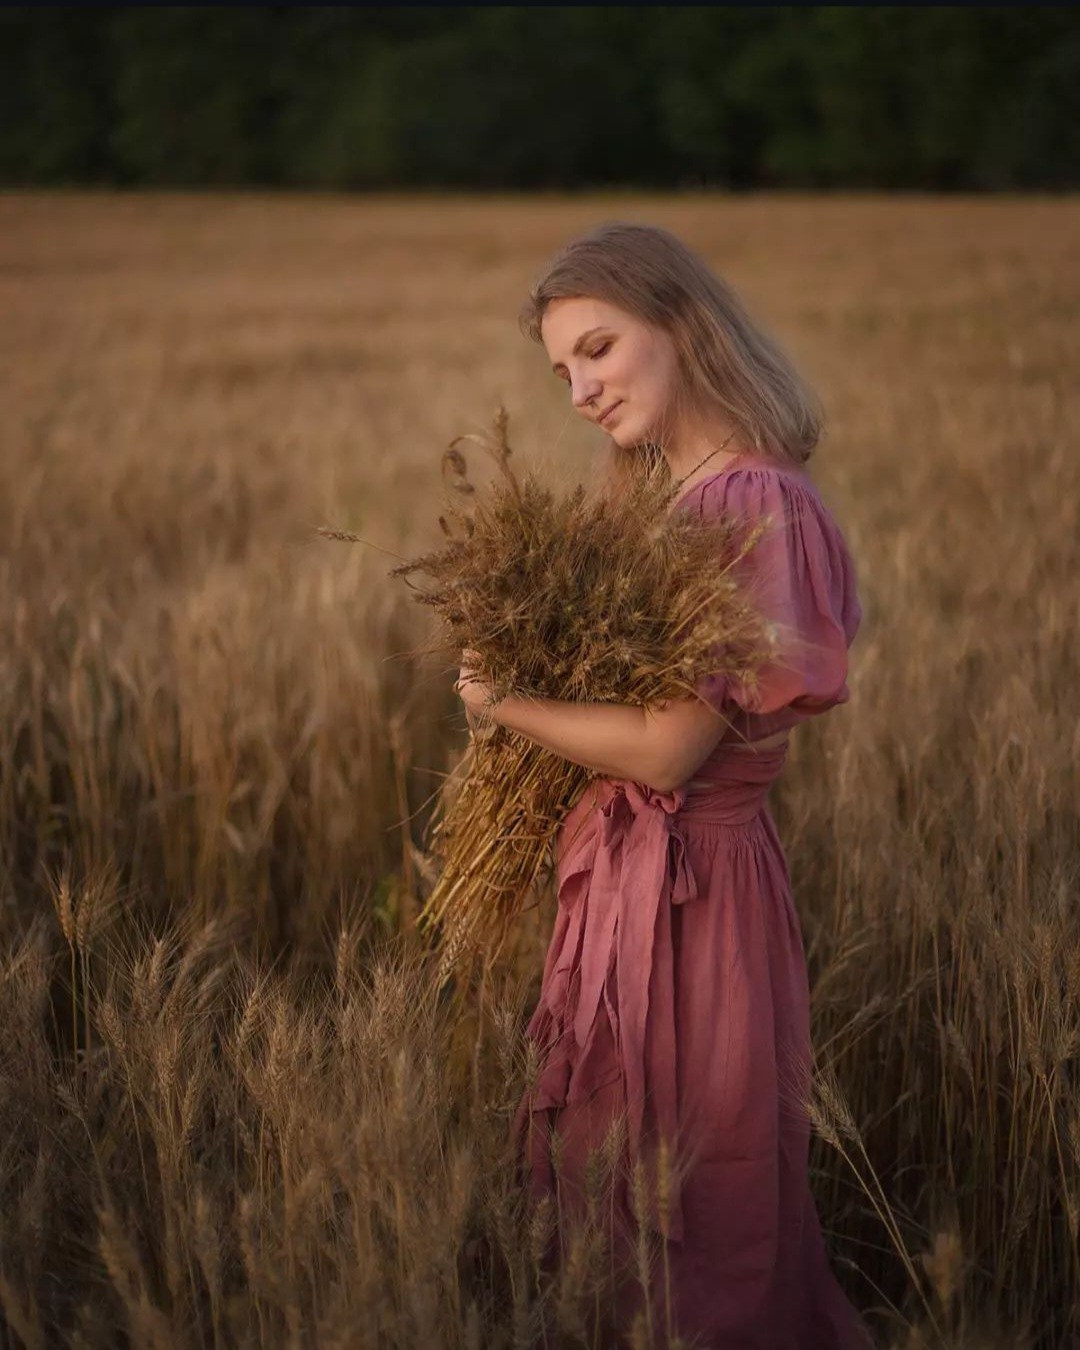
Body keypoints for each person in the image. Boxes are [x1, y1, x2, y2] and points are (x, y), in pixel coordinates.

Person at [454, 222, 873, 1349]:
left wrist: (503, 701)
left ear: (684, 326)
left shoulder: (753, 504)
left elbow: (669, 750)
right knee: (612, 1185)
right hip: (630, 879)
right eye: (562, 371)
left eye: (598, 349)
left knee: (700, 1204)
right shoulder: (666, 502)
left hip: (698, 901)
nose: (580, 391)